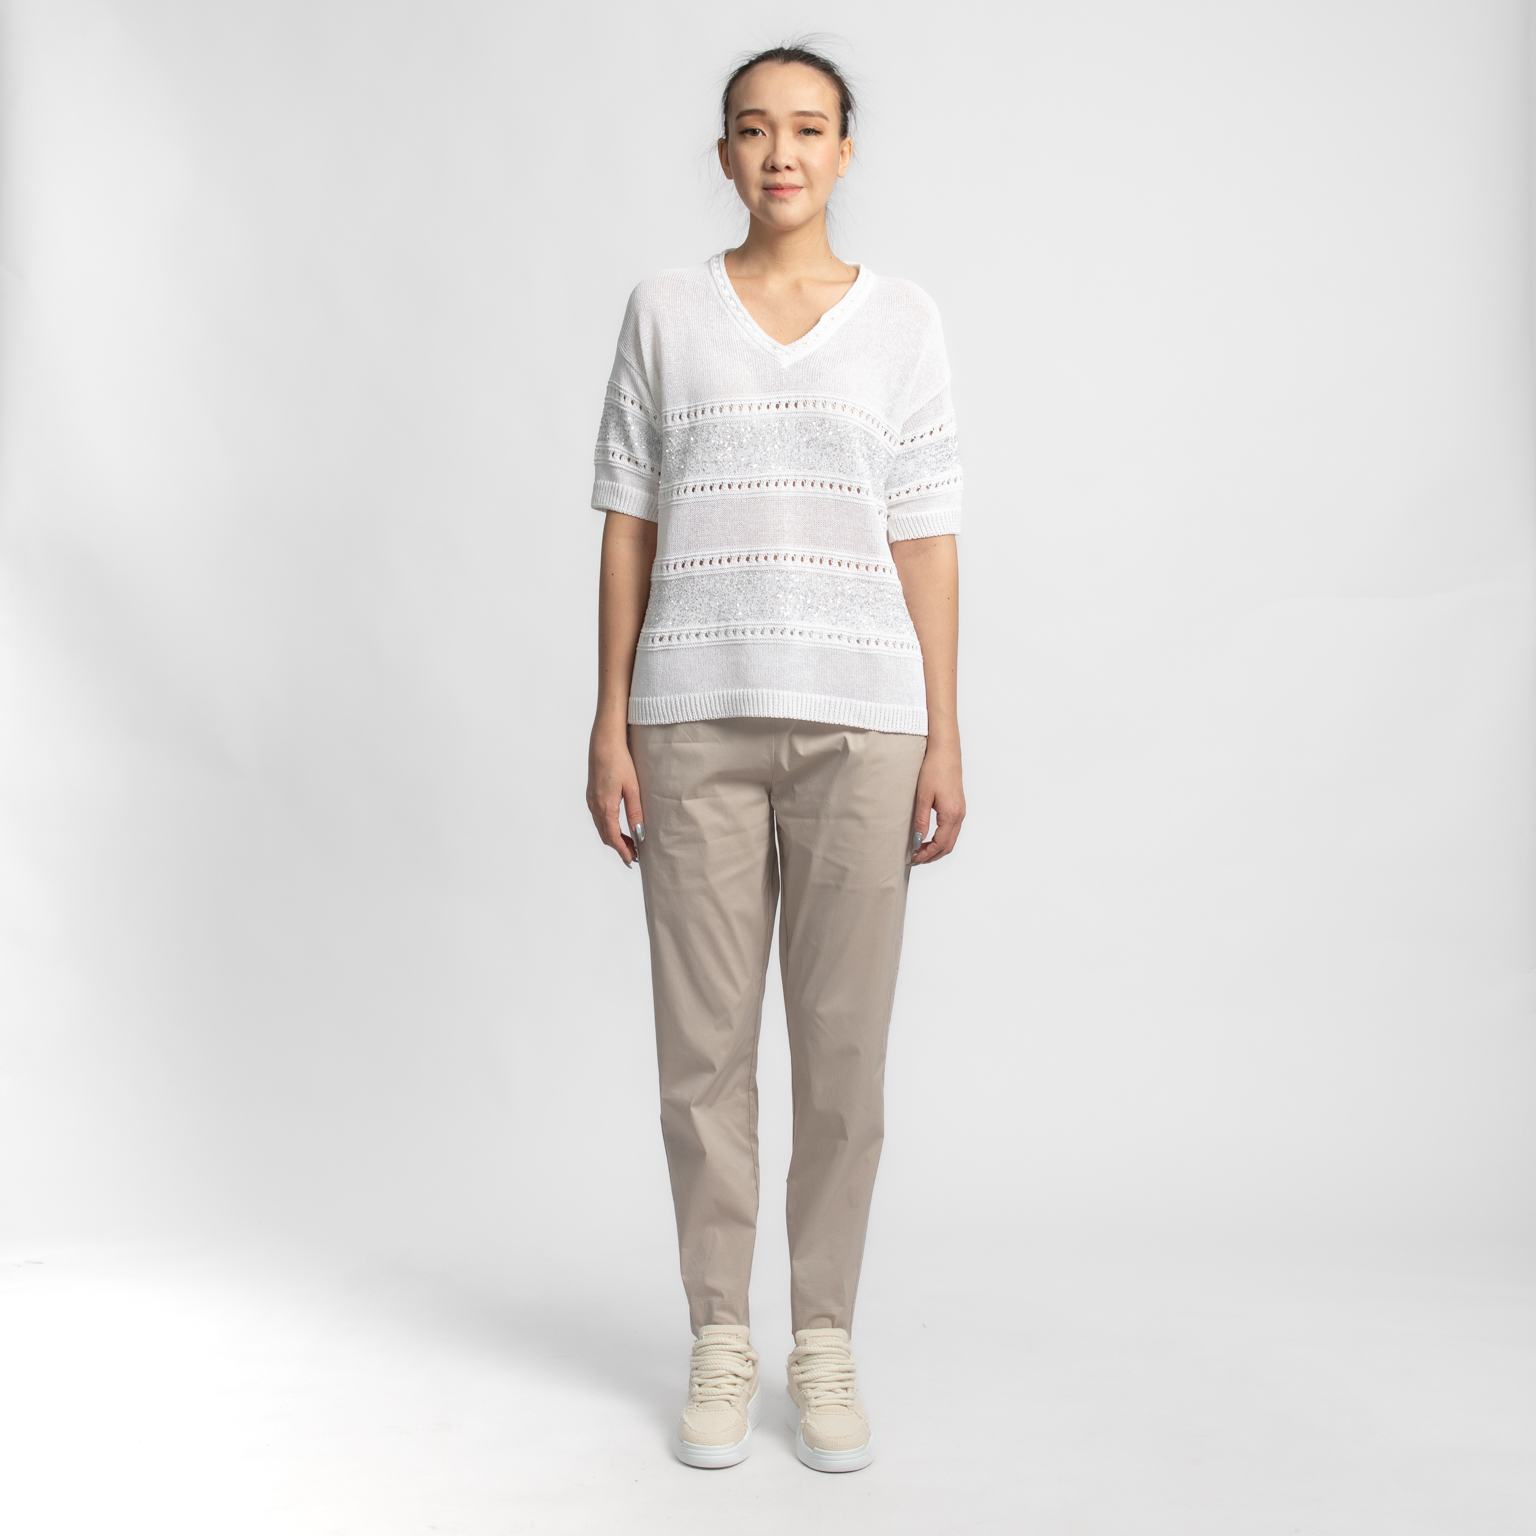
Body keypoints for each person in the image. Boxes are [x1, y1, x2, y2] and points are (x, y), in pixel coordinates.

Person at [585, 43, 965, 1473]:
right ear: (726, 155)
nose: (781, 152)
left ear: (845, 151)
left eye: (808, 128)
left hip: (866, 720)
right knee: (703, 1056)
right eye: (754, 129)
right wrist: (610, 717)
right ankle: (718, 1336)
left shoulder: (904, 321)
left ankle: (822, 1336)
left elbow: (926, 537)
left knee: (845, 1054)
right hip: (692, 715)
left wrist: (943, 730)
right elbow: (629, 520)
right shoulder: (664, 313)